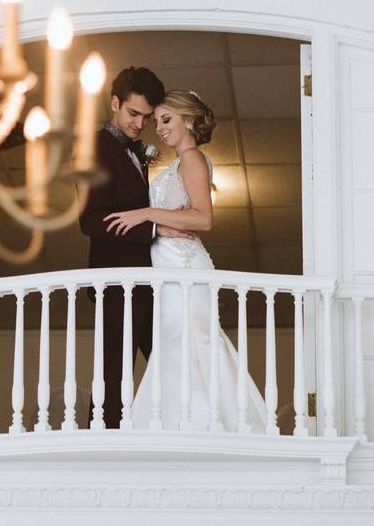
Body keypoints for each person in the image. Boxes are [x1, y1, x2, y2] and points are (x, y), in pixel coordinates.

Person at [103, 90, 266, 432]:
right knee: (176, 344)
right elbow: (180, 218)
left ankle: (205, 428)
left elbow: (203, 218)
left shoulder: (192, 157)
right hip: (169, 269)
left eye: (167, 119)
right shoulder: (179, 162)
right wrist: (159, 224)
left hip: (184, 268)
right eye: (156, 121)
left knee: (189, 341)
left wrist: (147, 212)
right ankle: (183, 426)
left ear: (188, 119)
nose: (158, 128)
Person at [78, 67, 193, 429]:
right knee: (116, 372)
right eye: (133, 114)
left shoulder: (133, 151)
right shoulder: (95, 147)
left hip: (146, 281)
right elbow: (91, 219)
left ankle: (182, 433)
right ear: (114, 103)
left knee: (171, 363)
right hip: (117, 283)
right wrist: (157, 227)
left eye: (147, 116)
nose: (141, 124)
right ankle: (104, 447)